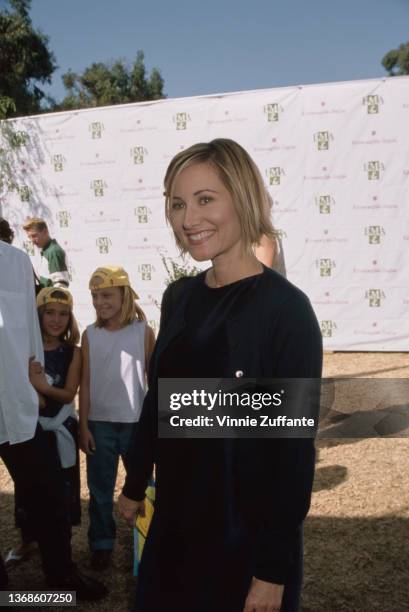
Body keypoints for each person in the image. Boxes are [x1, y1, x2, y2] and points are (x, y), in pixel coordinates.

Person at [118, 138, 323, 612]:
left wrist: (272, 571)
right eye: (176, 204)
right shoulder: (179, 297)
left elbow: (292, 454)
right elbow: (160, 402)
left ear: (243, 197)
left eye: (205, 199)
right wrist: (133, 486)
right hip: (174, 527)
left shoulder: (286, 311)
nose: (188, 219)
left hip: (243, 539)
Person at [0, 239, 107, 599]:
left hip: (18, 402)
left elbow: (29, 323)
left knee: (49, 493)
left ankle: (60, 572)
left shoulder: (14, 260)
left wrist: (36, 385)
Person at [79, 266, 155, 570]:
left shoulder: (143, 332)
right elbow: (84, 383)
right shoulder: (89, 334)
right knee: (99, 490)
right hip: (99, 425)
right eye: (95, 297)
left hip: (137, 425)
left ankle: (148, 542)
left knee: (143, 487)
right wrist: (83, 425)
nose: (100, 303)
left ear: (124, 295)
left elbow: (155, 379)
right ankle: (101, 543)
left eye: (106, 295)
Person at [8, 287, 82, 563]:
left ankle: (61, 546)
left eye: (64, 314)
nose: (56, 319)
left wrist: (41, 387)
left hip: (61, 429)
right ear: (37, 315)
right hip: (31, 428)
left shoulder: (73, 352)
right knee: (27, 487)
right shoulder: (23, 350)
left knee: (62, 488)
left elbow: (68, 394)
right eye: (49, 312)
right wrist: (33, 394)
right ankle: (28, 539)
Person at [23, 217, 69, 288]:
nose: (32, 240)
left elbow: (60, 286)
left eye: (34, 236)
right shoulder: (47, 251)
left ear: (45, 231)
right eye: (29, 237)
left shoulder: (53, 252)